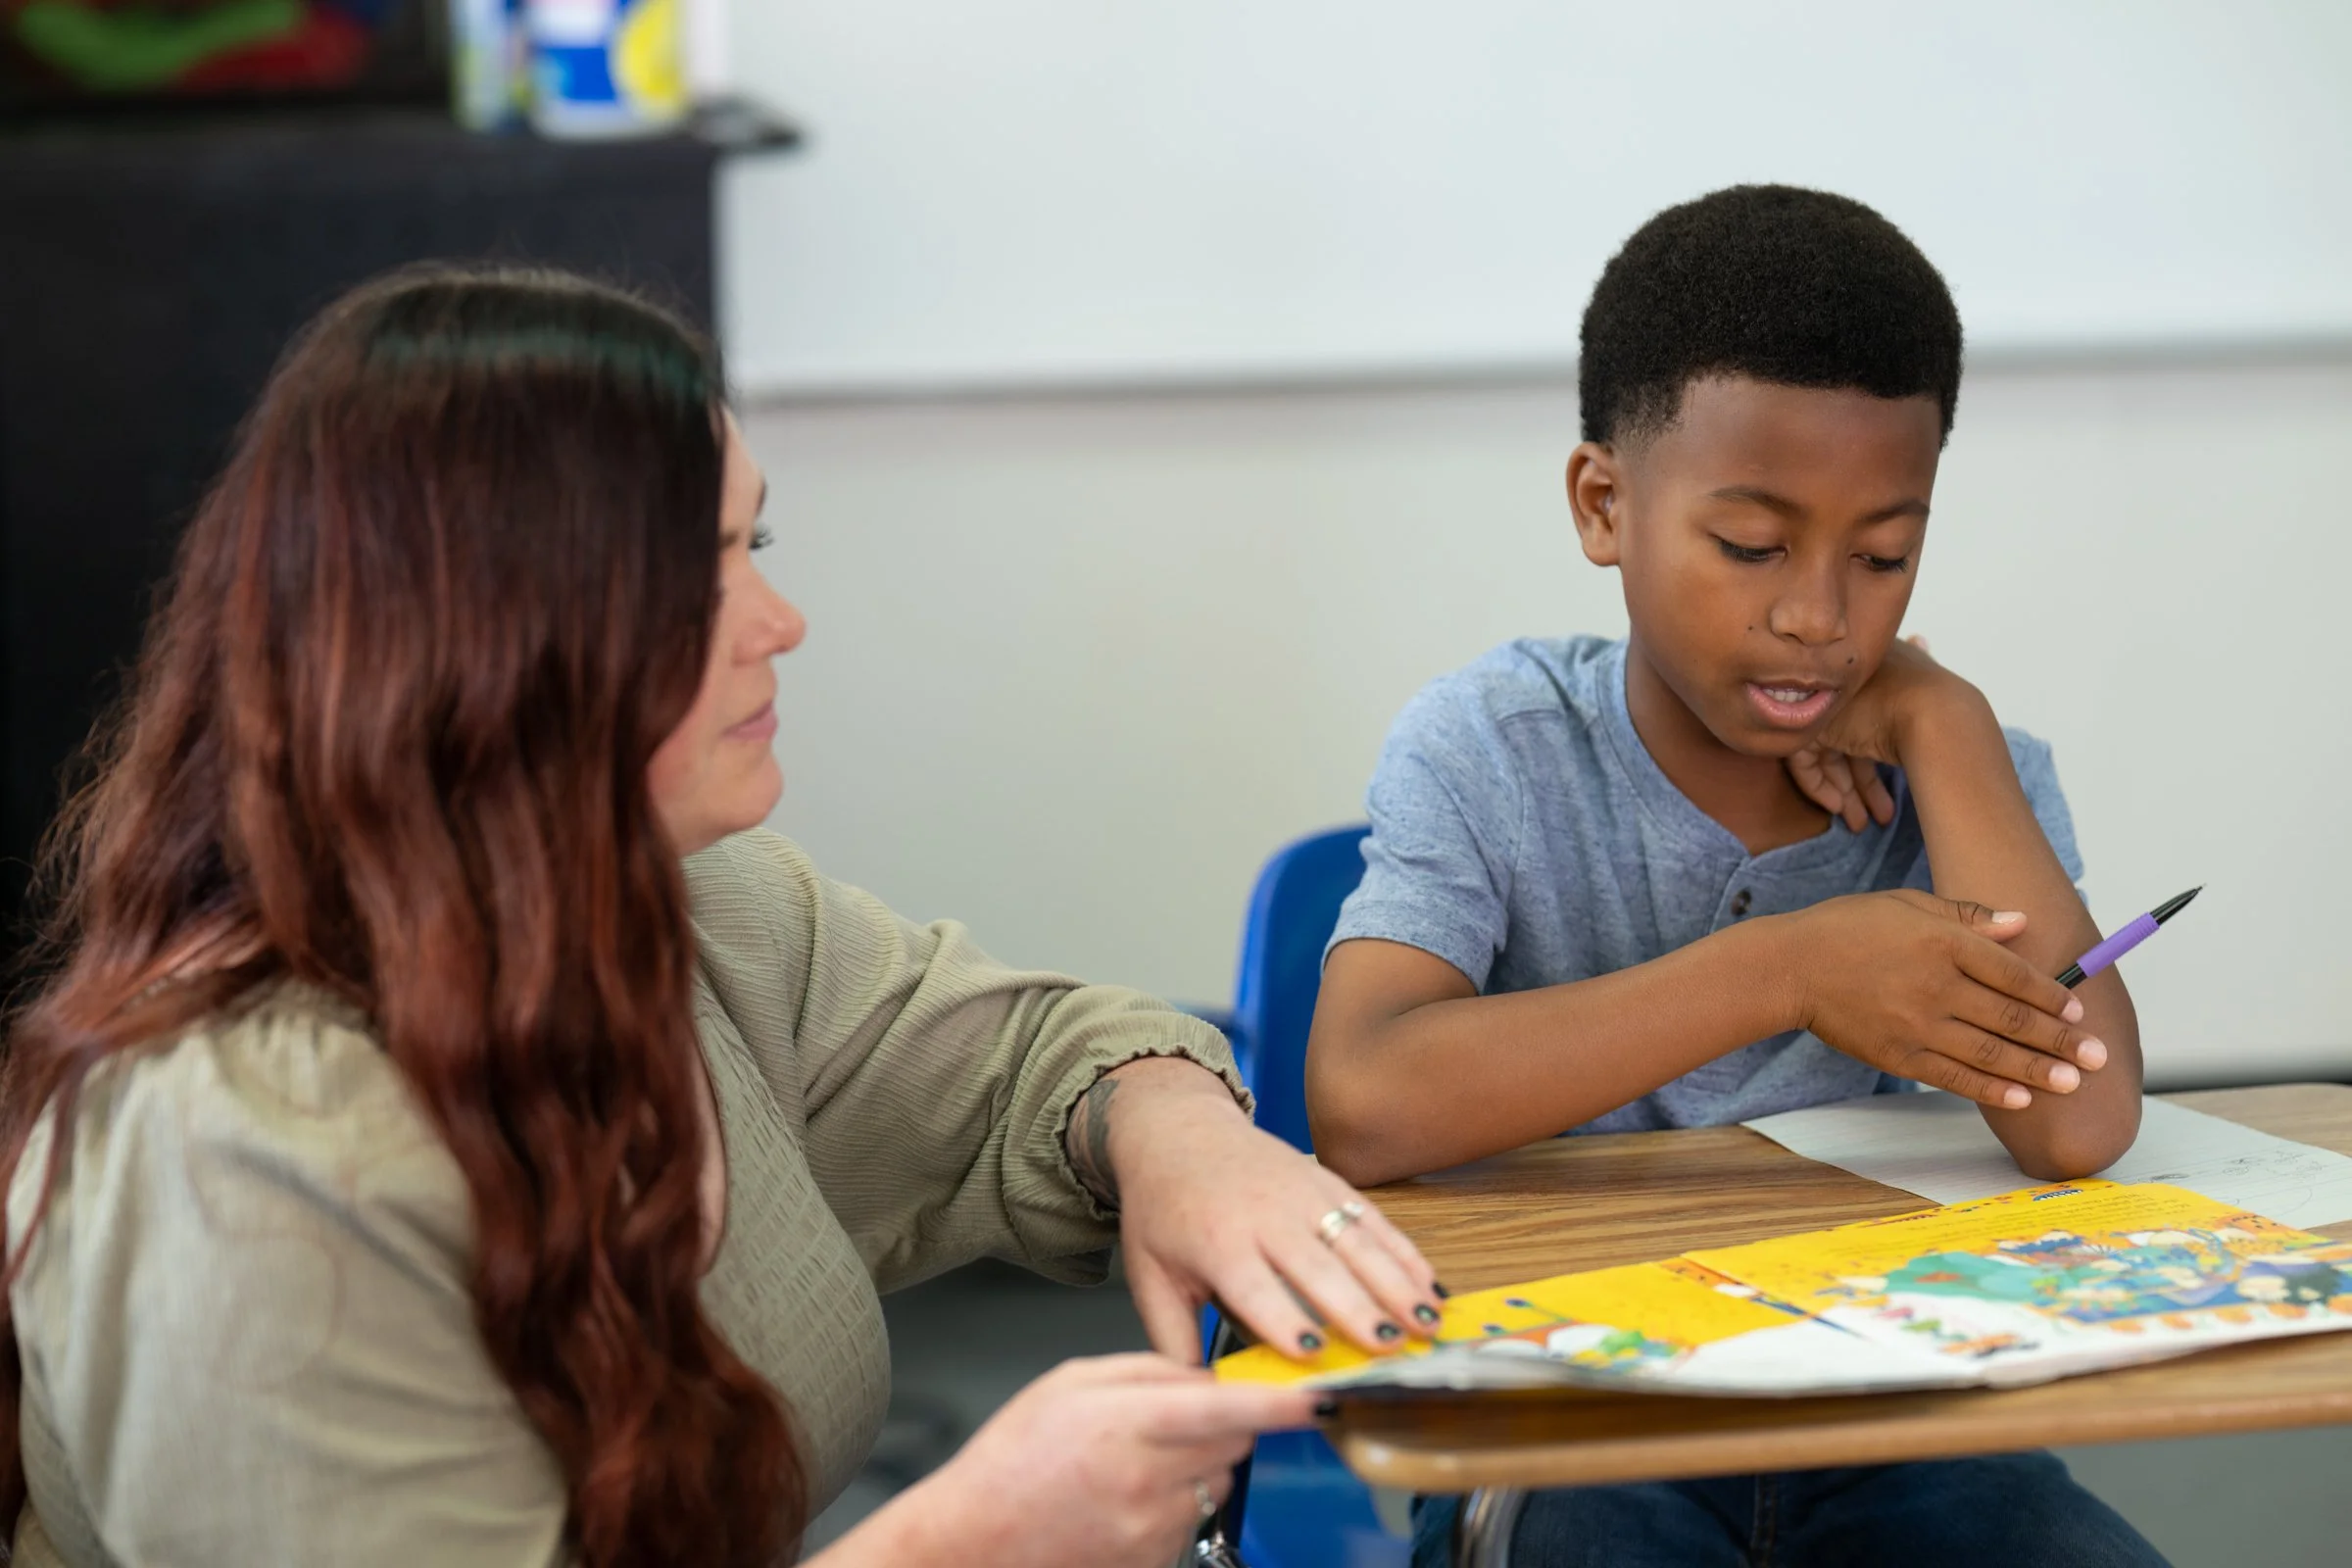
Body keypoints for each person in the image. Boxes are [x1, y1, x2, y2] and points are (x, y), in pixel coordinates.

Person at [0, 266, 1446, 1568]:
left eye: (758, 544)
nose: (782, 621)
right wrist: (958, 1545)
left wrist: (1175, 1132)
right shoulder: (239, 1154)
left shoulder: (674, 909)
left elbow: (1029, 1060)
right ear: (503, 644)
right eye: (707, 572)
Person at [1303, 186, 2168, 1566]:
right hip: (1581, 1421)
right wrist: (1789, 971)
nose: (1817, 615)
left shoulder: (1965, 778)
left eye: (1883, 555)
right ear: (1605, 504)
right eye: (1753, 547)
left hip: (1905, 1418)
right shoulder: (1497, 745)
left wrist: (1946, 724)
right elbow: (1363, 1102)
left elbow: (2077, 1127)